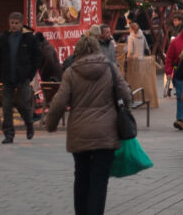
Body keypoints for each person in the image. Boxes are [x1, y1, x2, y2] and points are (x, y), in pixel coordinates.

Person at [44, 34, 132, 215]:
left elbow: (59, 102)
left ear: (78, 51)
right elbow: (126, 95)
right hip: (106, 133)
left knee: (81, 176)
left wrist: (51, 124)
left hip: (80, 133)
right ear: (96, 48)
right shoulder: (111, 68)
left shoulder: (71, 72)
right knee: (100, 180)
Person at [0, 11, 40, 144]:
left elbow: (36, 57)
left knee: (23, 104)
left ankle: (29, 124)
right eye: (12, 23)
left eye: (16, 23)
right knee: (6, 107)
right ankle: (8, 134)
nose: (14, 25)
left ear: (21, 23)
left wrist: (30, 74)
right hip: (7, 78)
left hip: (22, 77)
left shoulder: (29, 39)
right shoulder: (3, 38)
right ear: (9, 23)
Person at [123, 21, 158, 108]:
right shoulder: (142, 35)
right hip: (142, 60)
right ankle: (144, 97)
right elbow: (146, 47)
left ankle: (135, 98)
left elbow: (130, 51)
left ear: (131, 29)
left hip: (134, 61)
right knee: (142, 80)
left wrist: (127, 58)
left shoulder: (131, 37)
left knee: (134, 81)